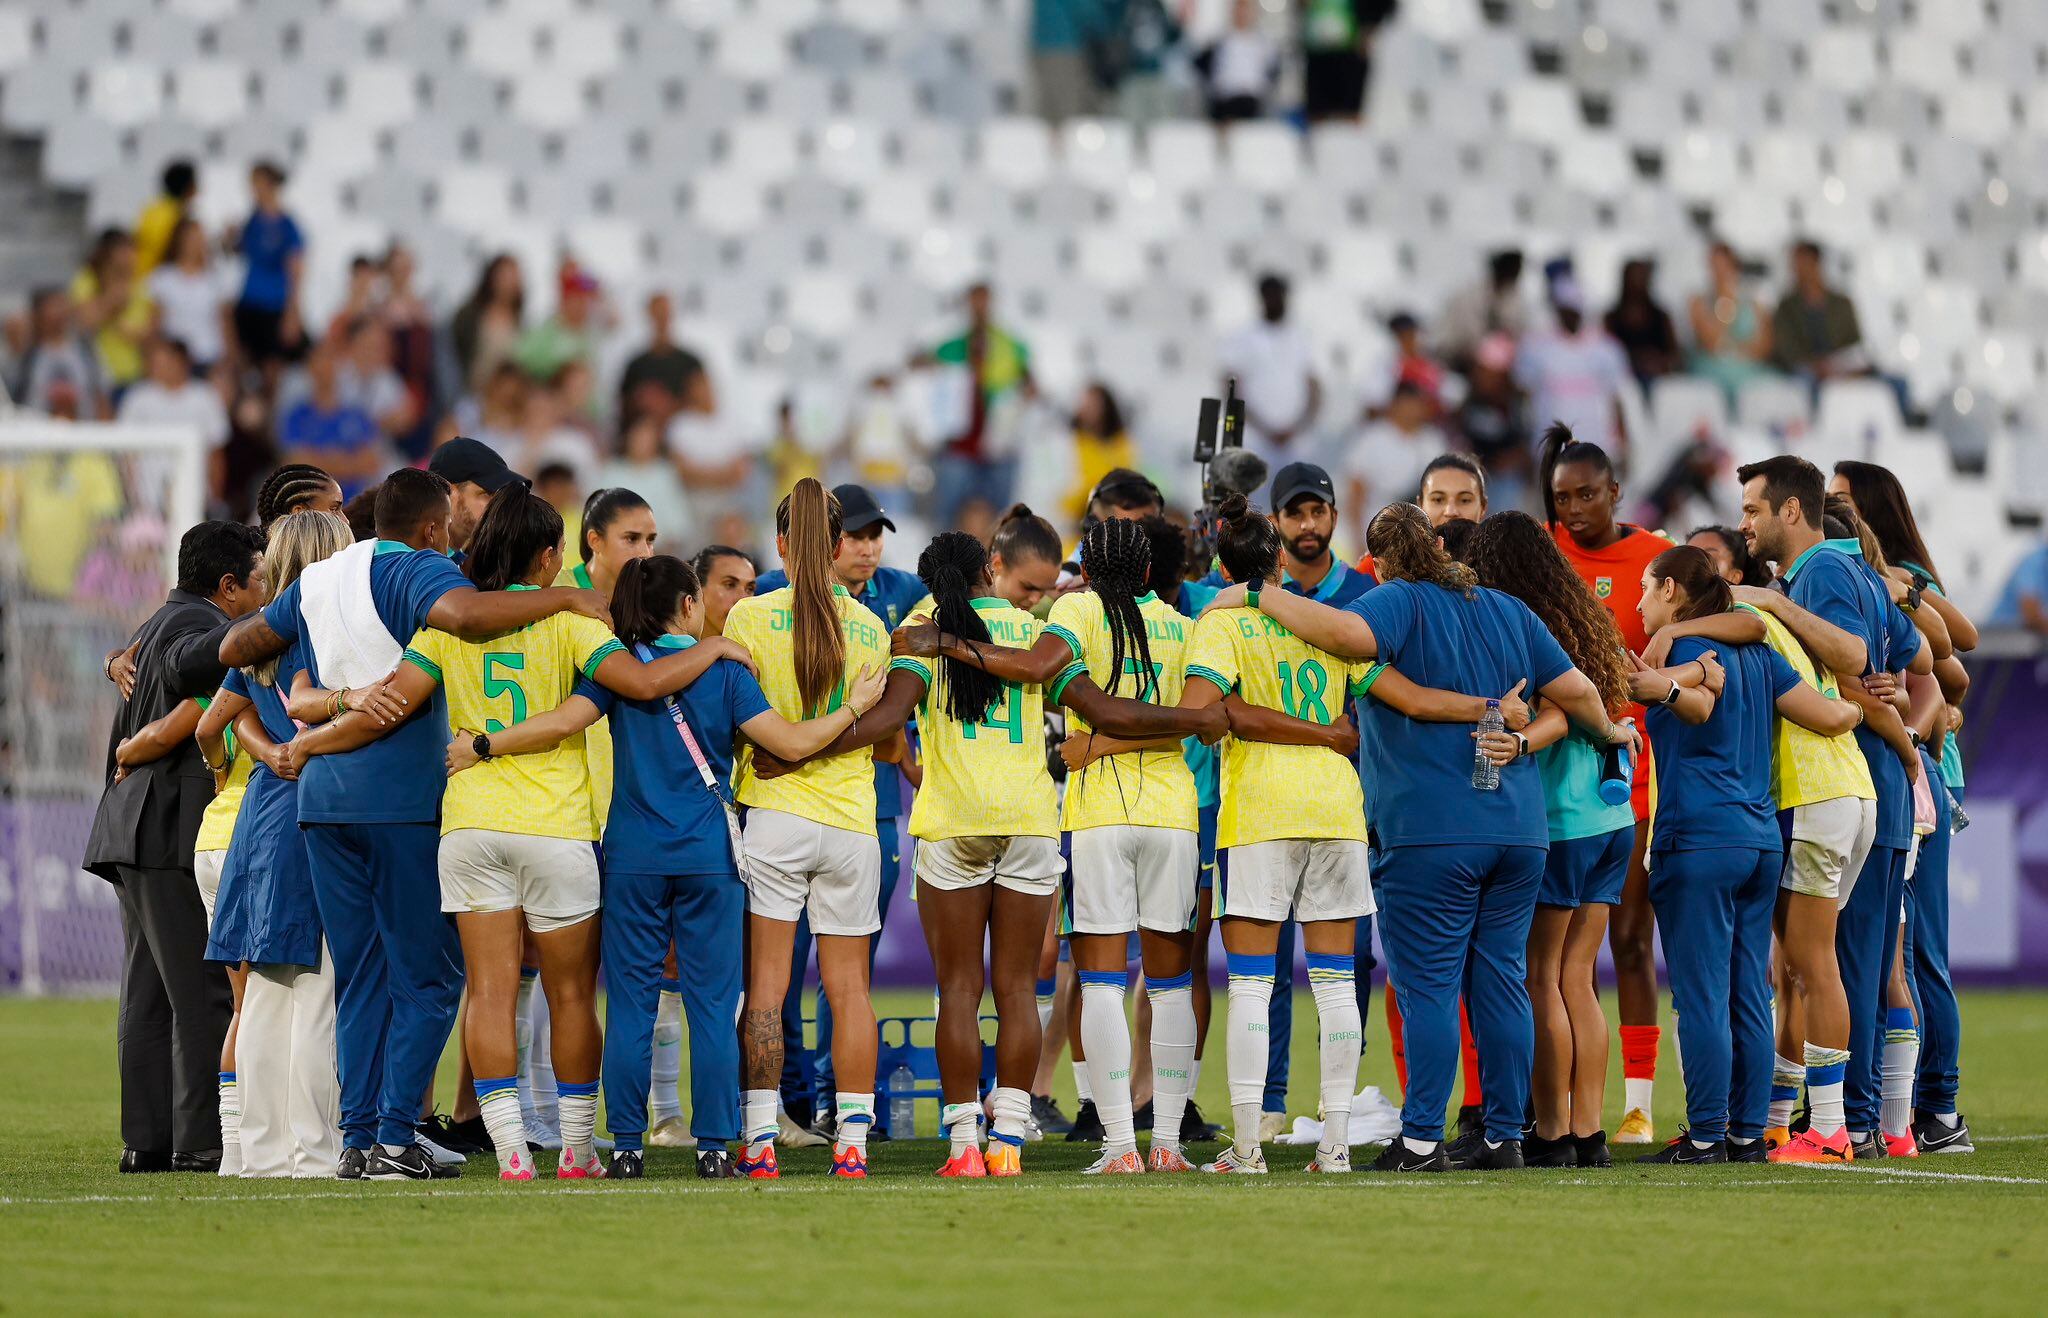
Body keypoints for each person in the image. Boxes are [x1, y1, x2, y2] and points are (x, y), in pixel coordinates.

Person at [288, 486, 752, 1180]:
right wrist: (715, 650)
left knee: (490, 992)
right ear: (545, 555)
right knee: (569, 996)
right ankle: (575, 1147)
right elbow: (645, 684)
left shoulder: (447, 628)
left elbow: (387, 708)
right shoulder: (572, 623)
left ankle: (508, 1151)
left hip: (471, 827)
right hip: (554, 830)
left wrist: (312, 740)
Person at [1200, 503, 1634, 1171]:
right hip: (1519, 830)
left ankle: (1424, 1138)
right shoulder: (1508, 610)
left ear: (1379, 563)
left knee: (1429, 987)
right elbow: (1577, 692)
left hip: (1430, 830)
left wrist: (1259, 592)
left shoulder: (1394, 601)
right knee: (1504, 984)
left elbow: (1346, 636)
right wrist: (1574, 735)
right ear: (1436, 541)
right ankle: (1503, 1136)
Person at [216, 468, 611, 1181]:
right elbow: (463, 616)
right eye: (447, 526)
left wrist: (324, 698)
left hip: (323, 802)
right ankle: (398, 1139)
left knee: (360, 977)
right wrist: (573, 595)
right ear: (431, 529)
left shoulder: (321, 579)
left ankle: (358, 1140)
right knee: (427, 981)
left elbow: (233, 648)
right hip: (398, 799)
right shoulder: (420, 570)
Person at [449, 553, 880, 1178]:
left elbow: (564, 721)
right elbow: (787, 743)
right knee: (710, 1005)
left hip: (632, 858)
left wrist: (485, 746)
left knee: (630, 1004)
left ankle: (625, 1145)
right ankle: (712, 1148)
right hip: (708, 858)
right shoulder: (726, 672)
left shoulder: (617, 672)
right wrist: (854, 706)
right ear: (686, 604)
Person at [896, 517, 1230, 1172]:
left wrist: (940, 643)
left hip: (1078, 810)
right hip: (1159, 810)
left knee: (1040, 985)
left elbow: (1057, 689)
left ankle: (1098, 1146)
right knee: (1156, 984)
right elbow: (1171, 717)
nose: (1036, 597)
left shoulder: (1062, 616)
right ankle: (1136, 1143)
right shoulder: (1185, 628)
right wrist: (1192, 722)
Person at [779, 531, 1066, 1176]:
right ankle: (1011, 1142)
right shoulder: (1027, 628)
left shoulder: (917, 628)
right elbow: (1071, 698)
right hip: (1027, 819)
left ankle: (965, 1144)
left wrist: (806, 748)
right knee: (1019, 988)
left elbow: (887, 721)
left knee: (958, 989)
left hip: (951, 822)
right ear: (990, 570)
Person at [1631, 545, 1864, 1163]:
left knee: (1702, 994)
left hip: (1697, 838)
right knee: (1747, 992)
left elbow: (1697, 705)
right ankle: (1745, 1131)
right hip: (1760, 841)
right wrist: (1862, 705)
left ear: (1674, 590)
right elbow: (1830, 718)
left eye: (1648, 589)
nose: (1639, 602)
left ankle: (1706, 1133)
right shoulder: (1761, 655)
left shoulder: (1679, 651)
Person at [1736, 454, 1933, 1159]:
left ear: (1793, 511)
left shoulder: (1818, 574)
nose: (1746, 524)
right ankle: (1842, 1123)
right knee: (1847, 964)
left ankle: (1845, 1125)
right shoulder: (1857, 574)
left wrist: (1903, 741)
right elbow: (1918, 659)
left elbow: (1851, 667)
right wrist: (1905, 720)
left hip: (1844, 780)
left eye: (1755, 510)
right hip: (1864, 785)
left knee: (1834, 964)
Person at [1177, 497, 1377, 1174]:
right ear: (1280, 559)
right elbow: (1381, 699)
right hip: (1336, 809)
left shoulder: (1220, 624)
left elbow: (1199, 716)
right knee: (1335, 983)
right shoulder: (1325, 623)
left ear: (1219, 567)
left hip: (1260, 811)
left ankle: (1248, 1148)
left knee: (1255, 984)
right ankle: (1337, 1146)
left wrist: (1236, 712)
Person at [84, 519, 270, 1173]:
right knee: (200, 988)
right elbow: (190, 664)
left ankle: (148, 1140)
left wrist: (117, 659)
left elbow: (160, 662)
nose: (264, 592)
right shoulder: (193, 631)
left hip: (131, 823)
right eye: (257, 581)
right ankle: (200, 1141)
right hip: (165, 824)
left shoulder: (159, 621)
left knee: (150, 992)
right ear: (227, 586)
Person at [723, 480, 893, 1179]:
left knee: (766, 986)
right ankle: (852, 1139)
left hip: (774, 815)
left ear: (784, 546)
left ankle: (760, 1141)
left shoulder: (748, 618)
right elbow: (876, 729)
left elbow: (738, 722)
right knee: (849, 989)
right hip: (852, 821)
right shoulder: (871, 628)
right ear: (833, 546)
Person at [1463, 512, 1638, 1168]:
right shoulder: (1583, 617)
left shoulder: (1523, 623)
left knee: (1543, 977)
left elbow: (1567, 706)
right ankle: (1589, 1132)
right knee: (1580, 980)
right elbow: (1597, 698)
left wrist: (1519, 741)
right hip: (1609, 819)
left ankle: (1554, 1131)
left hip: (1561, 823)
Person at [755, 483, 927, 1136]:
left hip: (797, 807)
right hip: (855, 812)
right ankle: (824, 1114)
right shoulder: (861, 617)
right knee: (836, 980)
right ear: (826, 544)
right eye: (854, 536)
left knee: (788, 980)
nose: (868, 547)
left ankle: (790, 1115)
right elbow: (891, 714)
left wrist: (789, 750)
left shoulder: (898, 594)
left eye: (875, 534)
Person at [1828, 460, 1978, 1153]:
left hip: (1913, 782)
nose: (1830, 511)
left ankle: (1934, 1108)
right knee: (1885, 955)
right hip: (1887, 775)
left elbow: (1955, 659)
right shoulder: (1850, 581)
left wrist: (1912, 732)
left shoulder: (1898, 575)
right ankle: (1895, 1115)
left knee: (1912, 956)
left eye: (1839, 500)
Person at [203, 509, 354, 1178]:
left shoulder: (259, 633)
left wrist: (267, 754)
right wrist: (295, 750)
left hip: (260, 814)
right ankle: (312, 1149)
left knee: (265, 991)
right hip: (316, 807)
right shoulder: (324, 629)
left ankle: (258, 1152)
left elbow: (222, 720)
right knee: (317, 990)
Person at [1541, 424, 1672, 1141]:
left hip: (1633, 776)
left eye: (1588, 495)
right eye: (1563, 498)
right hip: (1558, 778)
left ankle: (1640, 1103)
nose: (1576, 510)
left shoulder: (1655, 556)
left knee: (1628, 937)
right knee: (1564, 954)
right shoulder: (1544, 553)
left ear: (1616, 491)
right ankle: (1567, 1097)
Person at [922, 283, 1036, 527]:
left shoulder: (1011, 347)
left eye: (984, 301)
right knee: (948, 518)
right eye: (975, 301)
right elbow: (925, 375)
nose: (980, 307)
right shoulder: (948, 347)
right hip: (959, 447)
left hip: (999, 446)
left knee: (1001, 522)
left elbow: (1030, 384)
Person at [1515, 263, 1630, 455]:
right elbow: (1523, 396)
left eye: (1575, 311)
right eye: (1565, 311)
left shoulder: (1606, 349)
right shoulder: (1535, 347)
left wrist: (1624, 442)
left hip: (1597, 442)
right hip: (1550, 446)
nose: (1571, 317)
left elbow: (1616, 398)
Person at [1218, 273, 1320, 470]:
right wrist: (1262, 429)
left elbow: (1314, 387)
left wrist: (1300, 427)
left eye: (1278, 295)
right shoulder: (1242, 337)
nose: (1274, 300)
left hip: (1296, 441)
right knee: (1254, 497)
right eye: (1269, 295)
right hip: (1255, 438)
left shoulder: (1301, 336)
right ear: (1261, 298)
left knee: (1297, 496)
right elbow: (1229, 387)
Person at [1344, 383, 1445, 548]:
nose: (1413, 410)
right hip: (1376, 521)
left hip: (1418, 528)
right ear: (1395, 404)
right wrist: (1357, 539)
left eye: (1418, 404)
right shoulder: (1372, 438)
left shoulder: (1432, 440)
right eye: (1408, 403)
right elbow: (1356, 491)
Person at [278, 340, 381, 499]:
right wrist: (346, 461)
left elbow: (371, 462)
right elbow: (295, 464)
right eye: (320, 359)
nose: (326, 366)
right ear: (310, 367)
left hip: (351, 506)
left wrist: (321, 460)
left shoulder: (356, 414)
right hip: (311, 508)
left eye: (331, 359)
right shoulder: (297, 416)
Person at [230, 161, 305, 376]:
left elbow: (296, 268)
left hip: (274, 303)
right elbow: (238, 251)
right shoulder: (251, 220)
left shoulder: (287, 225)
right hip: (249, 300)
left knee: (273, 365)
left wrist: (292, 312)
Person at [1688, 241, 1775, 405]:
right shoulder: (1698, 302)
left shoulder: (1754, 303)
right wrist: (1726, 302)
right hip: (1712, 371)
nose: (1720, 273)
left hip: (1750, 369)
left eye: (1725, 266)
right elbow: (1712, 343)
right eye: (1714, 266)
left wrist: (1736, 350)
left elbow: (1764, 347)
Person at [71, 227, 154, 397]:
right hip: (94, 373)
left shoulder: (140, 286)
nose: (130, 256)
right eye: (124, 250)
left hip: (132, 374)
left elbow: (146, 333)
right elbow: (84, 321)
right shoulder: (87, 281)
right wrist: (113, 300)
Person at [1772, 240, 1868, 382]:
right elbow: (1786, 349)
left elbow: (1854, 342)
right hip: (1806, 369)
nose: (1797, 269)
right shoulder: (1787, 307)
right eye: (1795, 264)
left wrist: (1837, 365)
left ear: (1816, 263)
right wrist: (1815, 365)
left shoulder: (1842, 303)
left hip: (1840, 365)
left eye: (1803, 263)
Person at [147, 219, 232, 375]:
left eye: (199, 239)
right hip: (174, 360)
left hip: (209, 357)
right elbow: (155, 324)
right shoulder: (163, 277)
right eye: (190, 238)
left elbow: (225, 323)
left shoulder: (215, 279)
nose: (195, 244)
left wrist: (229, 360)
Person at [12, 286, 110, 418]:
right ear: (38, 314)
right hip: (35, 432)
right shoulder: (28, 356)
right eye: (53, 306)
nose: (60, 311)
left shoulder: (86, 351)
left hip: (84, 430)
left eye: (62, 305)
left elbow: (101, 397)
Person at [426, 436, 522, 558]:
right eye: (487, 493)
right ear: (447, 493)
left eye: (500, 495)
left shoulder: (470, 563)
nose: (499, 504)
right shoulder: (414, 566)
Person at [618, 291, 703, 426]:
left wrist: (672, 407)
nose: (662, 318)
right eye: (657, 313)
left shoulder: (691, 362)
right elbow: (623, 411)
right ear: (649, 316)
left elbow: (707, 406)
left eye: (665, 313)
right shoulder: (635, 366)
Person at [1301, 0, 1395, 122]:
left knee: (1349, 114)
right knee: (1318, 114)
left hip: (1353, 49)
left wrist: (1370, 24)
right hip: (1317, 46)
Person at [1435, 250, 1529, 371]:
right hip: (1459, 359)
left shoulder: (1516, 298)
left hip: (1498, 365)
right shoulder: (1467, 295)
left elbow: (1519, 333)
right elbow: (1448, 338)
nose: (1516, 274)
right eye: (1513, 269)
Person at [450, 253, 526, 397]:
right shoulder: (471, 315)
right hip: (468, 393)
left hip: (501, 400)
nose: (508, 283)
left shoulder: (519, 322)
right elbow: (452, 354)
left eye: (513, 277)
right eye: (504, 276)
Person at [1194, 0, 1282, 122]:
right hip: (1225, 100)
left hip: (1253, 101)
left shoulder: (1264, 45)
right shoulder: (1220, 41)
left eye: (1246, 10)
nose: (1242, 14)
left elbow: (1273, 74)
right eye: (1239, 9)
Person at [1064, 382, 1138, 525]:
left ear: (1107, 407)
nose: (1087, 409)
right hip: (1076, 516)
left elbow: (1125, 479)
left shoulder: (1122, 443)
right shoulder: (1070, 440)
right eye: (1084, 403)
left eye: (1093, 404)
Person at [1605, 258, 1681, 389]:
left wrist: (1659, 363)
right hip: (1625, 380)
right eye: (1633, 277)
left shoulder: (1662, 317)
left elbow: (1675, 354)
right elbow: (1606, 354)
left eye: (1641, 277)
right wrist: (1634, 362)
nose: (1637, 282)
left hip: (1660, 382)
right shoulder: (1611, 318)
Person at [135, 159, 197, 276]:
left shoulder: (149, 210)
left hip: (139, 276)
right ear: (188, 188)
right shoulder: (177, 218)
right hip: (157, 282)